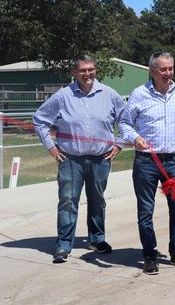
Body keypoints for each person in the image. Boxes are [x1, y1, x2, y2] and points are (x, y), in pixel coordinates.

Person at [32, 55, 125, 264]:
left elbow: (126, 119)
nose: (88, 74)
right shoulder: (63, 96)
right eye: (83, 70)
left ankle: (97, 239)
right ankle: (64, 244)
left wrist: (119, 144)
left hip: (101, 159)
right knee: (67, 202)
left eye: (91, 69)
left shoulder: (109, 94)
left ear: (95, 70)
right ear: (74, 73)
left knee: (98, 201)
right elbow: (39, 120)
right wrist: (51, 148)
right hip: (70, 159)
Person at [119, 51, 175, 275]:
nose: (168, 73)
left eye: (171, 68)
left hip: (172, 161)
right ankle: (150, 255)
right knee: (145, 211)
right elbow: (124, 124)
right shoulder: (139, 94)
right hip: (146, 163)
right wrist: (135, 138)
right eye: (163, 69)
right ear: (152, 71)